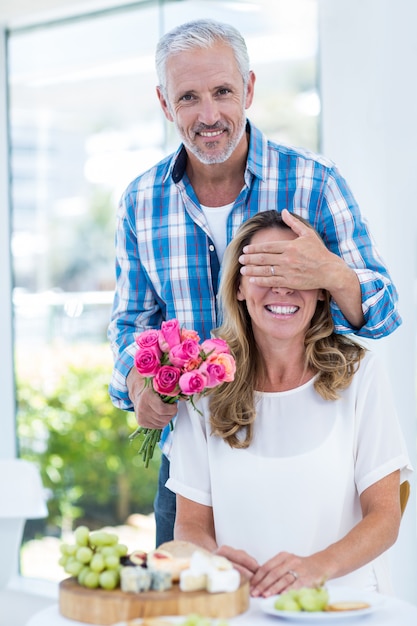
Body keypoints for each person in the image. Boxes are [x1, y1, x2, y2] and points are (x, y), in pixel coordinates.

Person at [107, 19, 402, 547]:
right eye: (189, 97)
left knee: (303, 591)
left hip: (303, 447)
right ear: (164, 102)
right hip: (194, 461)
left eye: (222, 91)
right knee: (193, 603)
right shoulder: (140, 201)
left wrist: (330, 273)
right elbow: (132, 322)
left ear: (248, 88)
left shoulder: (315, 182)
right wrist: (137, 382)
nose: (209, 114)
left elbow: (382, 312)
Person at [166, 210, 412, 597]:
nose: (281, 287)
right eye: (265, 270)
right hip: (246, 609)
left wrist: (316, 568)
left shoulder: (360, 374)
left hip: (344, 607)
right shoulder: (202, 389)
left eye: (296, 272)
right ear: (238, 289)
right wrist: (216, 563)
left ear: (320, 290)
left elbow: (385, 518)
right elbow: (190, 525)